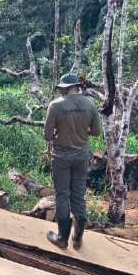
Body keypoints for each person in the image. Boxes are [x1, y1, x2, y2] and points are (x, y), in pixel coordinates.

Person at [43, 73, 101, 250]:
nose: (61, 90)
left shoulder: (55, 105)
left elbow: (47, 135)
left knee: (62, 195)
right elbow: (96, 132)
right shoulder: (90, 103)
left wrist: (60, 132)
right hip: (81, 156)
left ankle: (62, 239)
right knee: (78, 195)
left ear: (66, 88)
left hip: (61, 157)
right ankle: (77, 238)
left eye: (62, 88)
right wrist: (82, 132)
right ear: (77, 87)